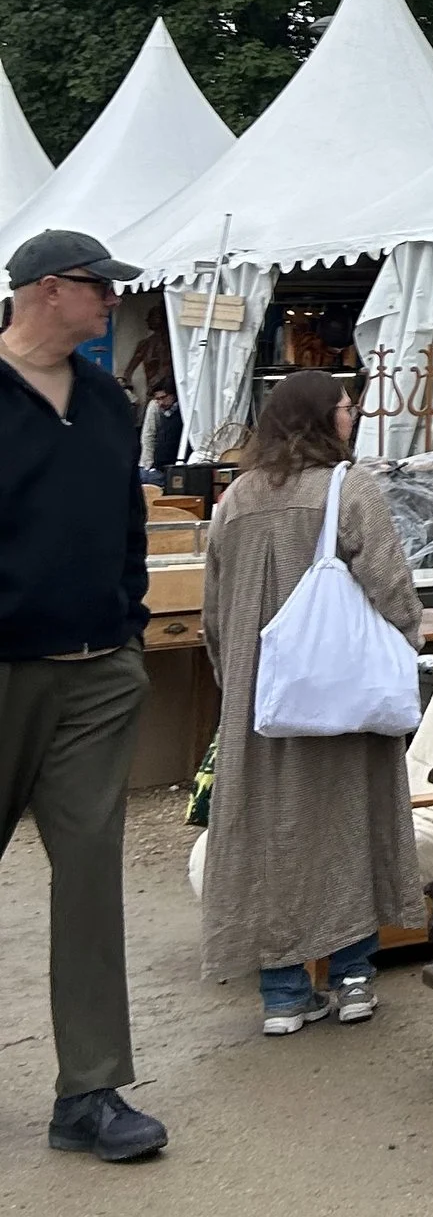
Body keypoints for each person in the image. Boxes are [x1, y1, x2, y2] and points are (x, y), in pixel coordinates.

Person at [0, 227, 165, 1162]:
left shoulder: (107, 399)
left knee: (92, 874)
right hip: (4, 667)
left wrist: (130, 630)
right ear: (46, 290)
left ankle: (90, 1091)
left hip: (99, 669)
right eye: (99, 288)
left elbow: (126, 529)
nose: (111, 302)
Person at [198, 369, 423, 1032]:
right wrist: (403, 644)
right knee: (351, 825)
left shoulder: (234, 499)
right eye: (346, 408)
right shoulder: (346, 487)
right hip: (342, 696)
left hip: (260, 698)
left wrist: (233, 680)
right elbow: (390, 582)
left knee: (267, 837)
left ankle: (284, 994)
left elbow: (215, 613)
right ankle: (354, 979)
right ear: (321, 418)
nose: (352, 418)